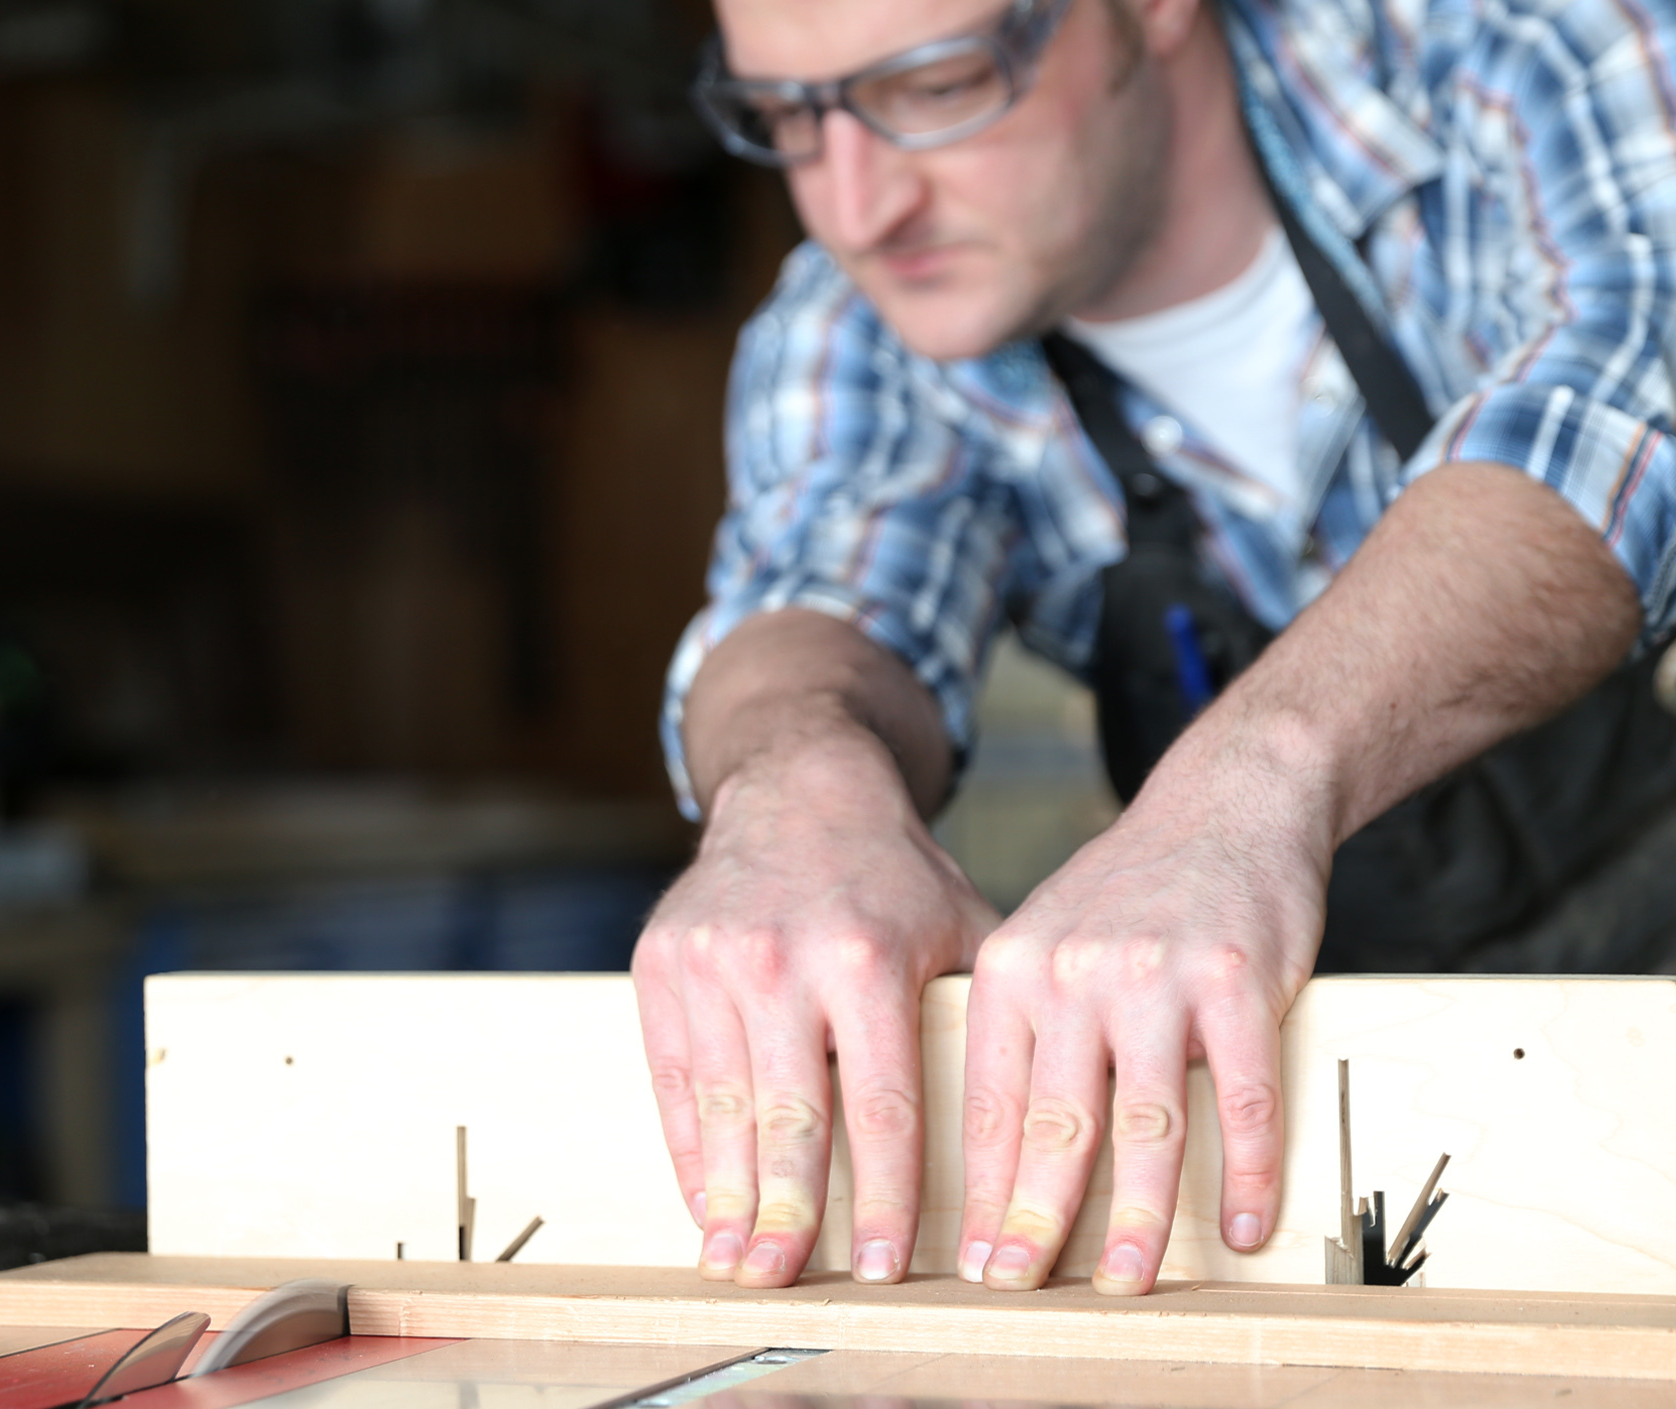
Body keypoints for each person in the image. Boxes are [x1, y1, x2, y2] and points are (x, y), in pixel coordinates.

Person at [630, 0, 1676, 1299]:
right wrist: (793, 783)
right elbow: (816, 589)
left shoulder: (1529, 49)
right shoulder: (862, 319)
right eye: (788, 119)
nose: (856, 208)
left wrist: (1249, 783)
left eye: (941, 84)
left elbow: (1632, 394)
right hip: (1348, 1153)